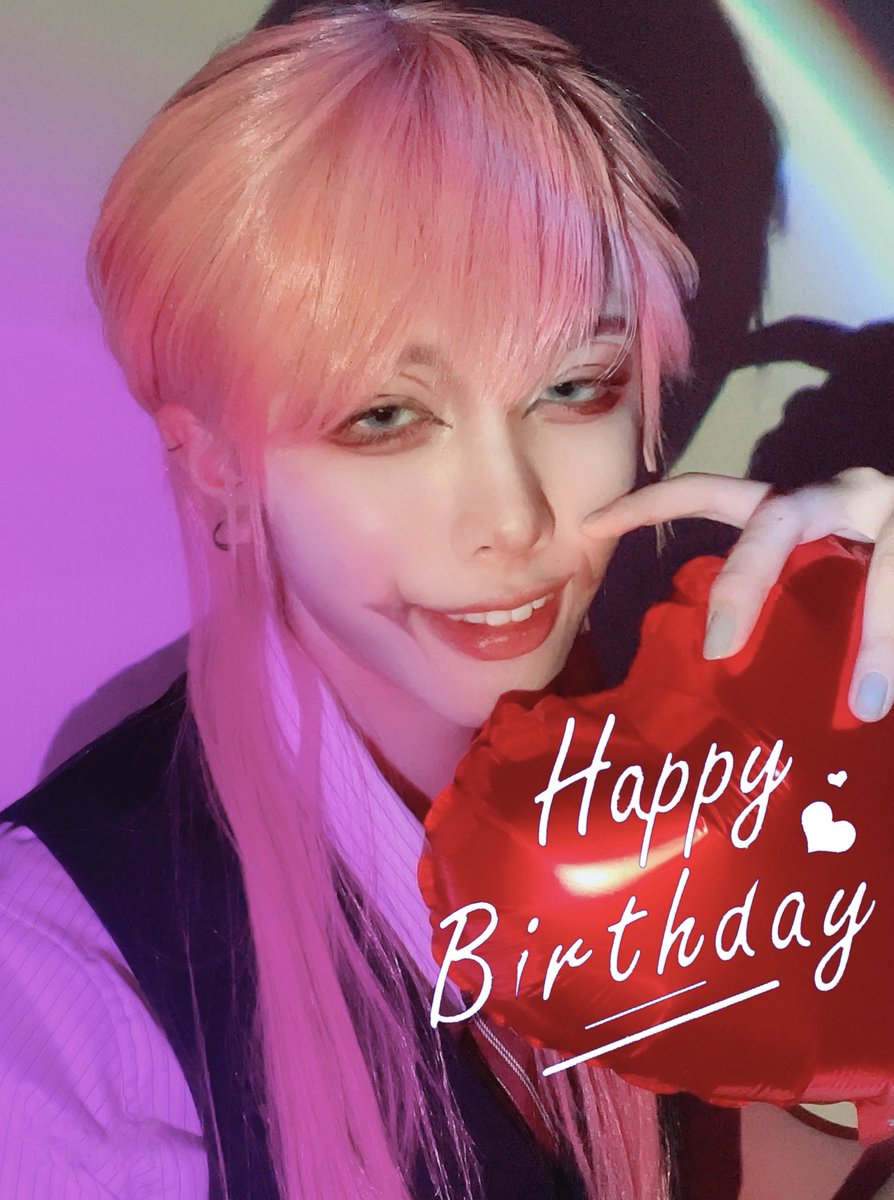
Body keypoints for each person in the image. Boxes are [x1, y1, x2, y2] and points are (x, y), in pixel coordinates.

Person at [2, 5, 893, 1200]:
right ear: (216, 468)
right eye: (385, 415)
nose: (511, 518)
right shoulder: (62, 994)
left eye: (573, 387)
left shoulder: (654, 807)